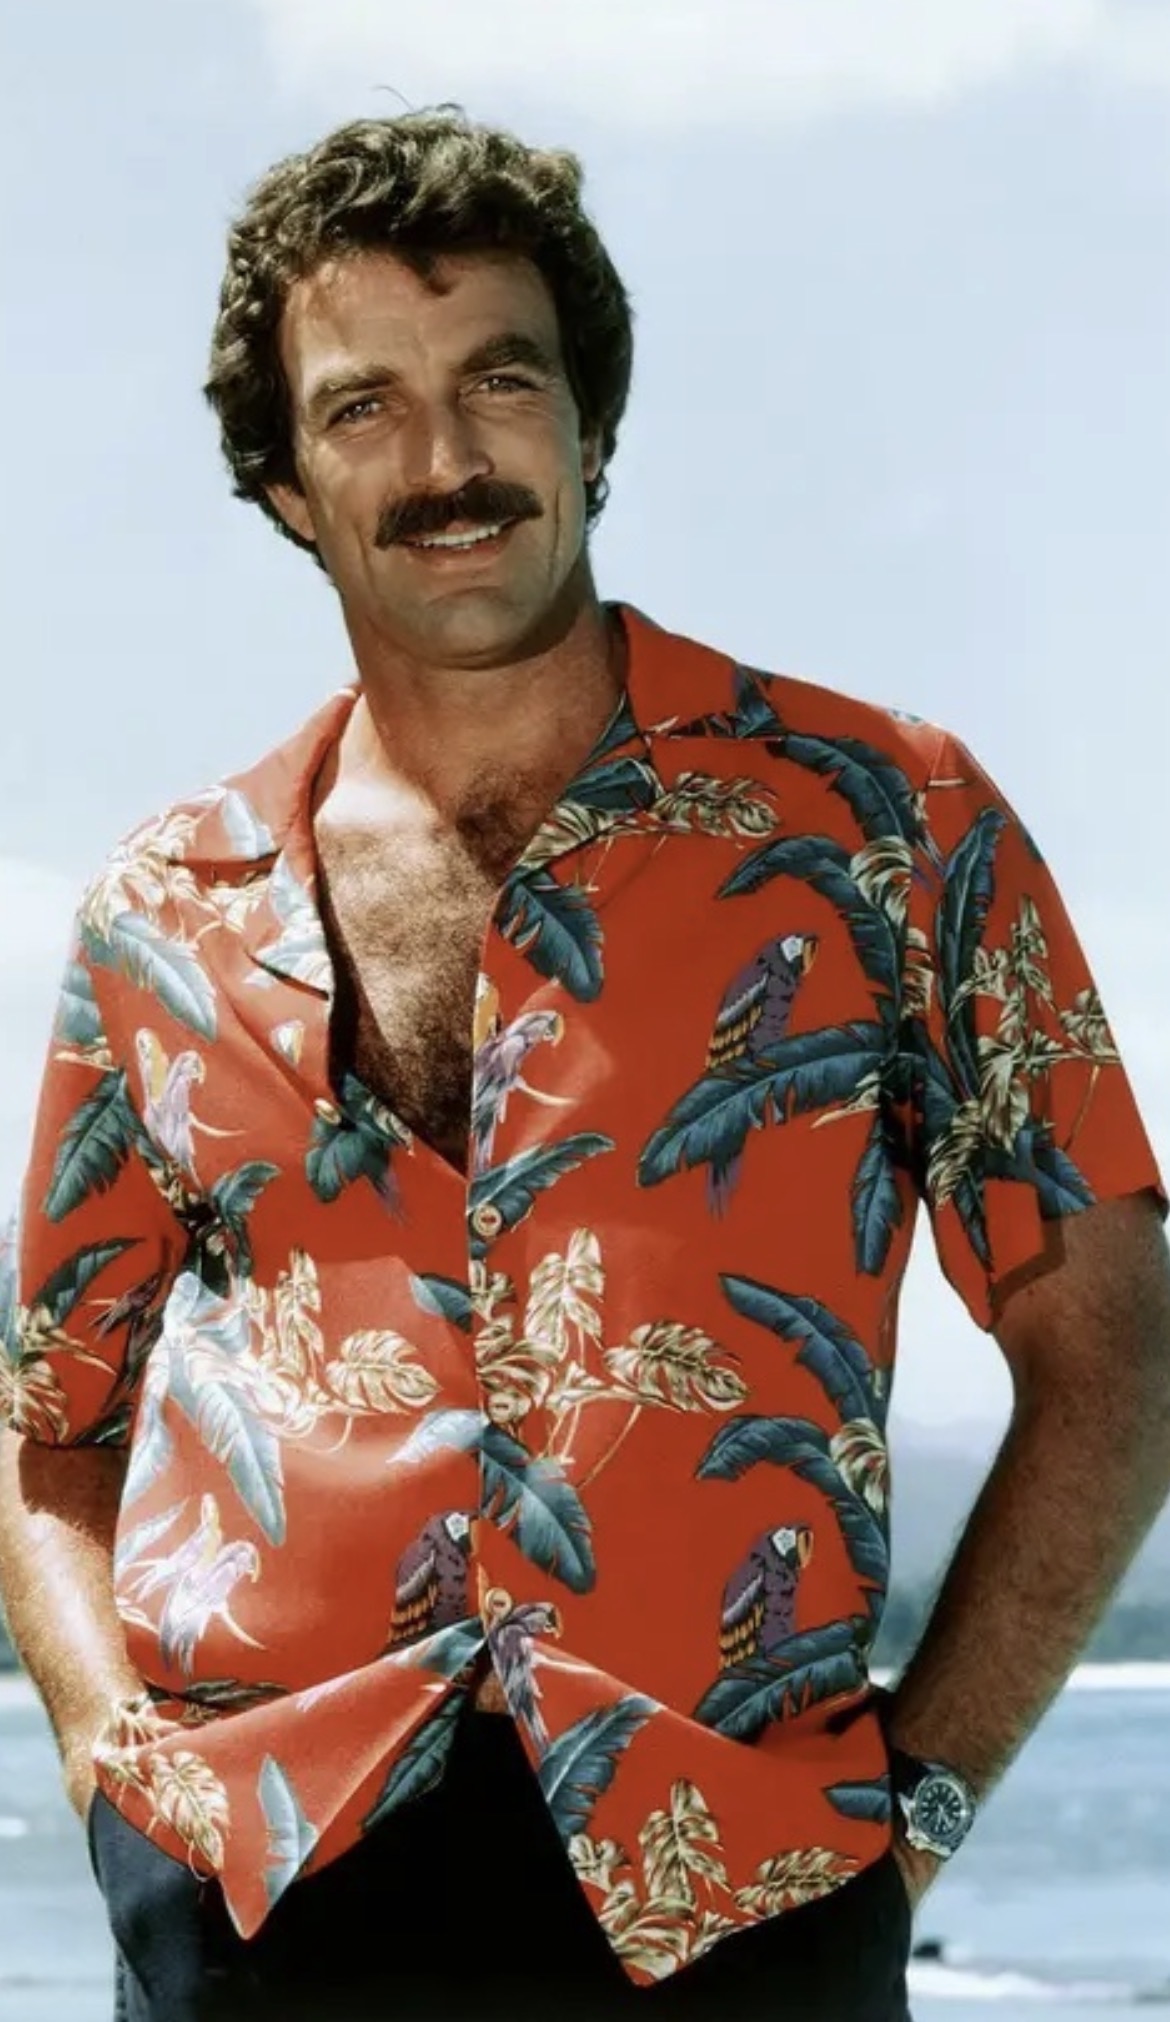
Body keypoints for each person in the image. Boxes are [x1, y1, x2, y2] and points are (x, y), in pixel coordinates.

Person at [1, 108, 1168, 2022]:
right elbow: (51, 1414)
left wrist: (916, 1815)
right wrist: (102, 1750)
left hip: (735, 1893)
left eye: (499, 379)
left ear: (592, 425)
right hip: (255, 1899)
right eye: (362, 406)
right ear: (284, 484)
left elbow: (1111, 1347)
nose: (444, 461)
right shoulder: (162, 907)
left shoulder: (887, 822)